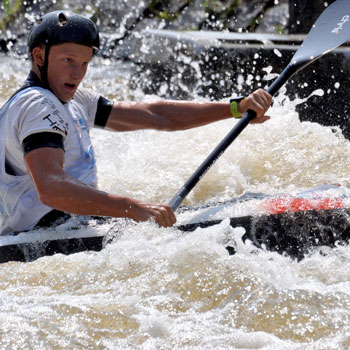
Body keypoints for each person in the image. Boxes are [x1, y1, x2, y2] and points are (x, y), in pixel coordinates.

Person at [0, 10, 272, 235]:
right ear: (39, 57)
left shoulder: (74, 99)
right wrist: (136, 209)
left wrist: (235, 107)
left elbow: (156, 114)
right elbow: (51, 188)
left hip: (70, 227)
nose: (78, 73)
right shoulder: (37, 104)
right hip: (38, 239)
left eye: (85, 62)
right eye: (68, 60)